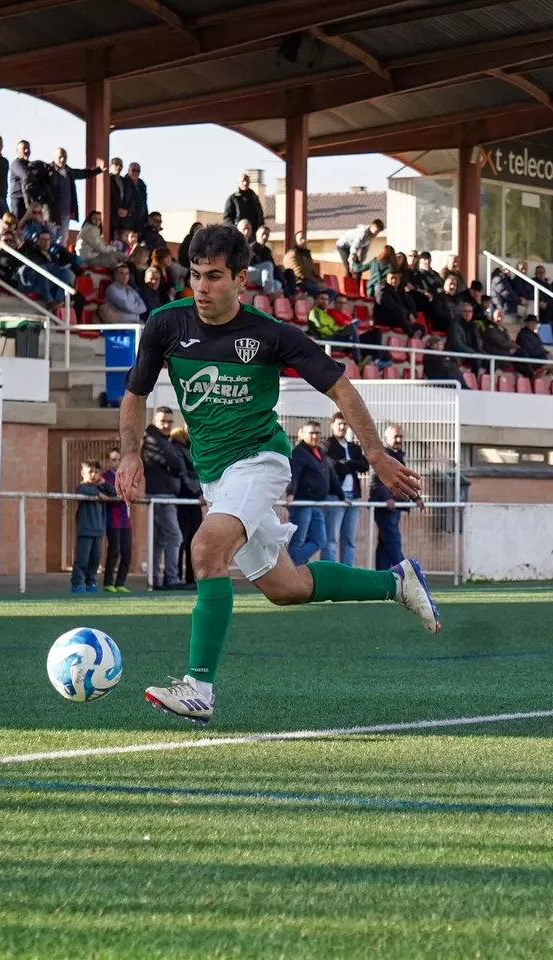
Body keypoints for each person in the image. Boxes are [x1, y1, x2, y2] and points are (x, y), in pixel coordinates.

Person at [115, 223, 438, 725]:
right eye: (196, 276)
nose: (202, 288)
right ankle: (396, 583)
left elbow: (341, 389)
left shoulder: (272, 335)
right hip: (216, 475)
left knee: (204, 549)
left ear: (241, 279)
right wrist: (131, 454)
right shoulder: (165, 325)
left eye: (215, 277)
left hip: (260, 460)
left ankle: (199, 687)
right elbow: (135, 394)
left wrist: (374, 453)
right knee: (286, 587)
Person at [142, 405, 188, 590]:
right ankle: (171, 578)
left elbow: (176, 464)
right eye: (163, 421)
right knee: (175, 536)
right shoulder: (154, 439)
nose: (167, 425)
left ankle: (156, 580)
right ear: (154, 422)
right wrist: (174, 464)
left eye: (169, 421)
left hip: (164, 495)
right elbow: (176, 464)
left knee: (160, 540)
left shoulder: (162, 440)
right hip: (161, 495)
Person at [286, 421, 340, 565]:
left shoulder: (320, 453)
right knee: (298, 541)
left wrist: (342, 496)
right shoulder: (298, 453)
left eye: (317, 433)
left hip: (316, 504)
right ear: (302, 435)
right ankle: (291, 569)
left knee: (320, 540)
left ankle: (292, 566)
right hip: (302, 504)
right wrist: (290, 492)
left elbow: (331, 475)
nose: (315, 436)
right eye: (311, 433)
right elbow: (294, 474)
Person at [323, 412, 367, 568]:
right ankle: (329, 573)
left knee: (349, 539)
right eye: (339, 424)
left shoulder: (353, 447)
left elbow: (364, 466)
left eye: (345, 424)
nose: (342, 427)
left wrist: (346, 463)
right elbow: (334, 467)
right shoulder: (327, 445)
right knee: (331, 539)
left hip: (354, 496)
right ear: (332, 425)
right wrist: (350, 464)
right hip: (335, 496)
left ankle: (348, 574)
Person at [370, 424, 411, 570]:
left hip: (395, 505)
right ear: (386, 438)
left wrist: (415, 498)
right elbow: (377, 479)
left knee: (384, 544)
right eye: (396, 436)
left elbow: (402, 480)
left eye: (401, 436)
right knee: (393, 541)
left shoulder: (397, 455)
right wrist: (387, 498)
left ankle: (381, 576)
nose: (399, 439)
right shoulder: (383, 456)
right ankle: (407, 574)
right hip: (386, 506)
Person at [71, 460, 115, 593]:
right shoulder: (82, 487)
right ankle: (77, 584)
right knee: (82, 559)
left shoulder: (101, 487)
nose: (93, 475)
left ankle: (91, 582)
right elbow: (83, 490)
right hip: (85, 530)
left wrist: (105, 483)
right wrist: (97, 494)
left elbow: (113, 493)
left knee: (95, 560)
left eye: (96, 472)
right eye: (90, 472)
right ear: (82, 473)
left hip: (98, 531)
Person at [44, 147, 104, 244]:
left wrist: (98, 170)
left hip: (65, 213)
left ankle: (59, 258)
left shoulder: (68, 171)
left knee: (62, 240)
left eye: (64, 157)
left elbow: (82, 173)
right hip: (52, 213)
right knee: (50, 238)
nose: (62, 159)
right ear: (54, 158)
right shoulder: (47, 171)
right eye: (60, 157)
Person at [172, 426, 204, 585]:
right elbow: (183, 474)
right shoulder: (178, 446)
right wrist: (198, 492)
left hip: (194, 499)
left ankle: (192, 578)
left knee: (194, 540)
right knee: (182, 540)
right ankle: (177, 577)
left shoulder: (196, 446)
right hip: (185, 500)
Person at [102, 448, 133, 593]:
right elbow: (114, 492)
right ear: (108, 461)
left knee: (127, 552)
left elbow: (131, 493)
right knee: (114, 551)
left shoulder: (125, 476)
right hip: (112, 520)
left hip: (125, 521)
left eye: (119, 459)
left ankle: (120, 583)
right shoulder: (104, 477)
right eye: (114, 459)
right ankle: (108, 583)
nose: (117, 463)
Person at [283, 232, 326, 296]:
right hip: (300, 283)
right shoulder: (292, 255)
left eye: (305, 238)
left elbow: (314, 272)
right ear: (295, 241)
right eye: (301, 239)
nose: (304, 241)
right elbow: (299, 274)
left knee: (332, 293)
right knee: (320, 292)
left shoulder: (306, 254)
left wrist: (321, 282)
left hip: (311, 282)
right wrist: (317, 283)